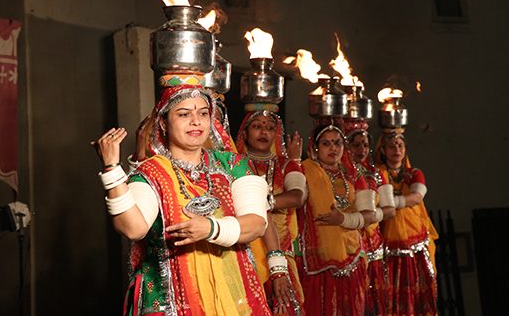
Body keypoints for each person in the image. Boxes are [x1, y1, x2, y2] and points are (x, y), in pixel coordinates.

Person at [94, 83, 272, 315]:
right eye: (184, 114)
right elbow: (133, 229)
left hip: (232, 295)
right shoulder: (150, 172)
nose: (196, 121)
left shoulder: (233, 165)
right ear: (163, 123)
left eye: (203, 113)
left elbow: (256, 224)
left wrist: (211, 228)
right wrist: (111, 169)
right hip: (168, 299)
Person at [298, 124, 376, 315]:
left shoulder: (354, 174)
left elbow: (370, 215)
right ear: (315, 148)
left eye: (337, 143)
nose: (333, 148)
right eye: (326, 143)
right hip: (316, 259)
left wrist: (343, 219)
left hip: (352, 257)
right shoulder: (305, 171)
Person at [235, 110, 307, 315]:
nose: (264, 132)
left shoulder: (285, 165)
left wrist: (261, 202)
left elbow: (297, 196)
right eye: (257, 126)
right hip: (244, 254)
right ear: (245, 133)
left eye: (269, 128)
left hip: (281, 256)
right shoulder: (233, 163)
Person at [373, 130, 439, 315]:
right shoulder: (378, 175)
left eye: (400, 145)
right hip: (388, 246)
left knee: (418, 296)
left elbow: (416, 197)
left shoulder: (414, 173)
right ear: (383, 150)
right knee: (391, 297)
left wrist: (388, 202)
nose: (397, 149)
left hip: (415, 246)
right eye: (392, 146)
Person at [346, 123, 395, 316]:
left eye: (365, 145)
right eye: (356, 145)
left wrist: (372, 216)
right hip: (351, 246)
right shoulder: (342, 174)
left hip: (374, 246)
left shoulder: (377, 174)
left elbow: (390, 210)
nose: (361, 150)